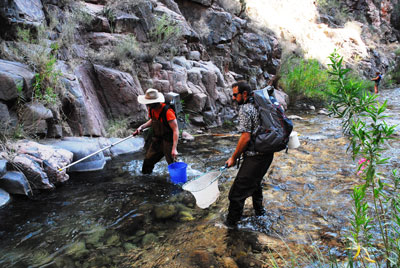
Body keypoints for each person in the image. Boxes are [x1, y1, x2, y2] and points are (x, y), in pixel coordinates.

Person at [224, 81, 274, 228]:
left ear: (244, 94)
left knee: (236, 194)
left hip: (256, 156)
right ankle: (260, 215)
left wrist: (233, 157)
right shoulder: (261, 105)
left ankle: (231, 227)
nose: (233, 98)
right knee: (255, 184)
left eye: (235, 95)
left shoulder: (246, 109)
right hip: (267, 154)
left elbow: (245, 137)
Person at [133, 88, 179, 174]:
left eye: (148, 103)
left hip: (169, 141)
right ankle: (146, 180)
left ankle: (178, 183)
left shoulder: (168, 112)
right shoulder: (152, 109)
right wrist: (141, 127)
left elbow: (175, 130)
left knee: (173, 164)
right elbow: (153, 120)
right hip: (157, 140)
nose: (147, 105)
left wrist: (174, 148)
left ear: (155, 102)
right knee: (148, 161)